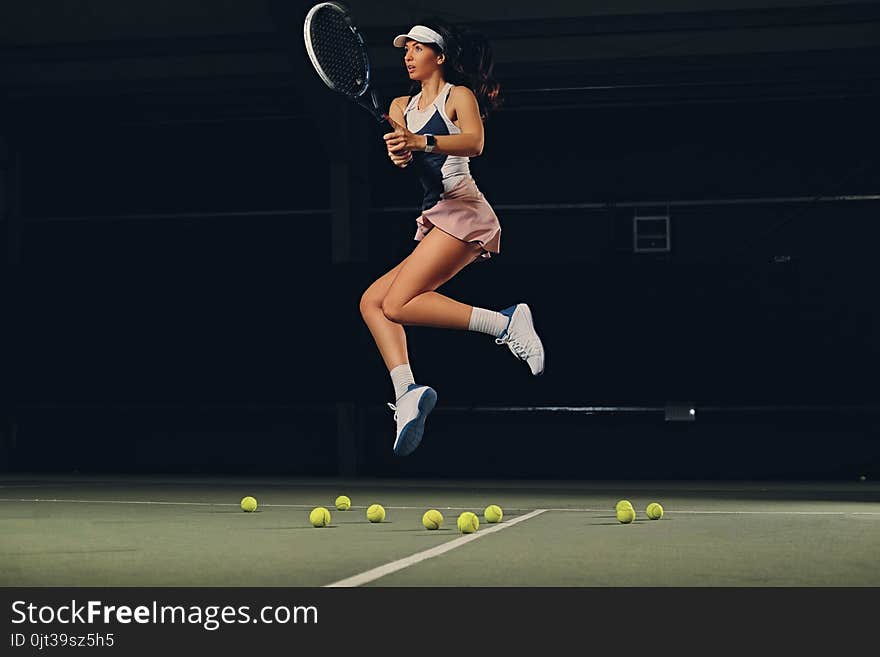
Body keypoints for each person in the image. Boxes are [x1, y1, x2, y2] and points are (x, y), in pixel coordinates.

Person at [359, 19, 545, 457]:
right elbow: (404, 158)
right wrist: (399, 152)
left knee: (398, 304)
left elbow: (474, 142)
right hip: (434, 214)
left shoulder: (457, 96)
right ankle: (406, 392)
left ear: (439, 57)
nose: (407, 54)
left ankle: (505, 323)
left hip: (463, 208)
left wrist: (420, 142)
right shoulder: (400, 104)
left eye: (417, 48)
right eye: (405, 49)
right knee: (372, 303)